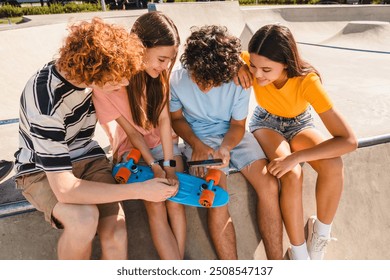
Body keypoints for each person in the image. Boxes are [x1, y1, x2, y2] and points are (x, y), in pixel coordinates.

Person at [14, 18, 178, 260]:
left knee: (117, 233)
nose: (123, 84)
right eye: (117, 82)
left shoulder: (84, 76)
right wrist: (141, 190)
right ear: (96, 71)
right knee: (84, 220)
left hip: (88, 158)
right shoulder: (46, 102)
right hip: (41, 170)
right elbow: (66, 190)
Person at [236, 24, 358, 260]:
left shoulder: (307, 82)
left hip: (300, 124)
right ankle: (299, 255)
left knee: (333, 164)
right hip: (266, 123)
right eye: (253, 66)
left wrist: (297, 156)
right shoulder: (247, 62)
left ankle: (320, 238)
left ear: (286, 63)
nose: (257, 74)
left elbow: (349, 141)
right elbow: (223, 49)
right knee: (291, 173)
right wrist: (238, 66)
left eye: (266, 69)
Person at [169, 25, 283, 260]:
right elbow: (177, 119)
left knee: (270, 186)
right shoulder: (178, 77)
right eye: (200, 79)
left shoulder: (239, 80)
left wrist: (227, 147)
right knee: (218, 196)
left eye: (212, 82)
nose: (205, 86)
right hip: (198, 137)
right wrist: (196, 144)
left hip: (234, 136)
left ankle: (277, 263)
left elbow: (238, 126)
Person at [92, 12, 185, 260]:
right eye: (162, 59)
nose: (166, 66)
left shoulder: (160, 74)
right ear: (140, 48)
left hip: (165, 145)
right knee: (155, 204)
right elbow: (132, 132)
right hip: (133, 147)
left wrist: (169, 165)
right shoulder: (112, 82)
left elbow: (165, 121)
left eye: (170, 60)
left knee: (175, 200)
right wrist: (154, 166)